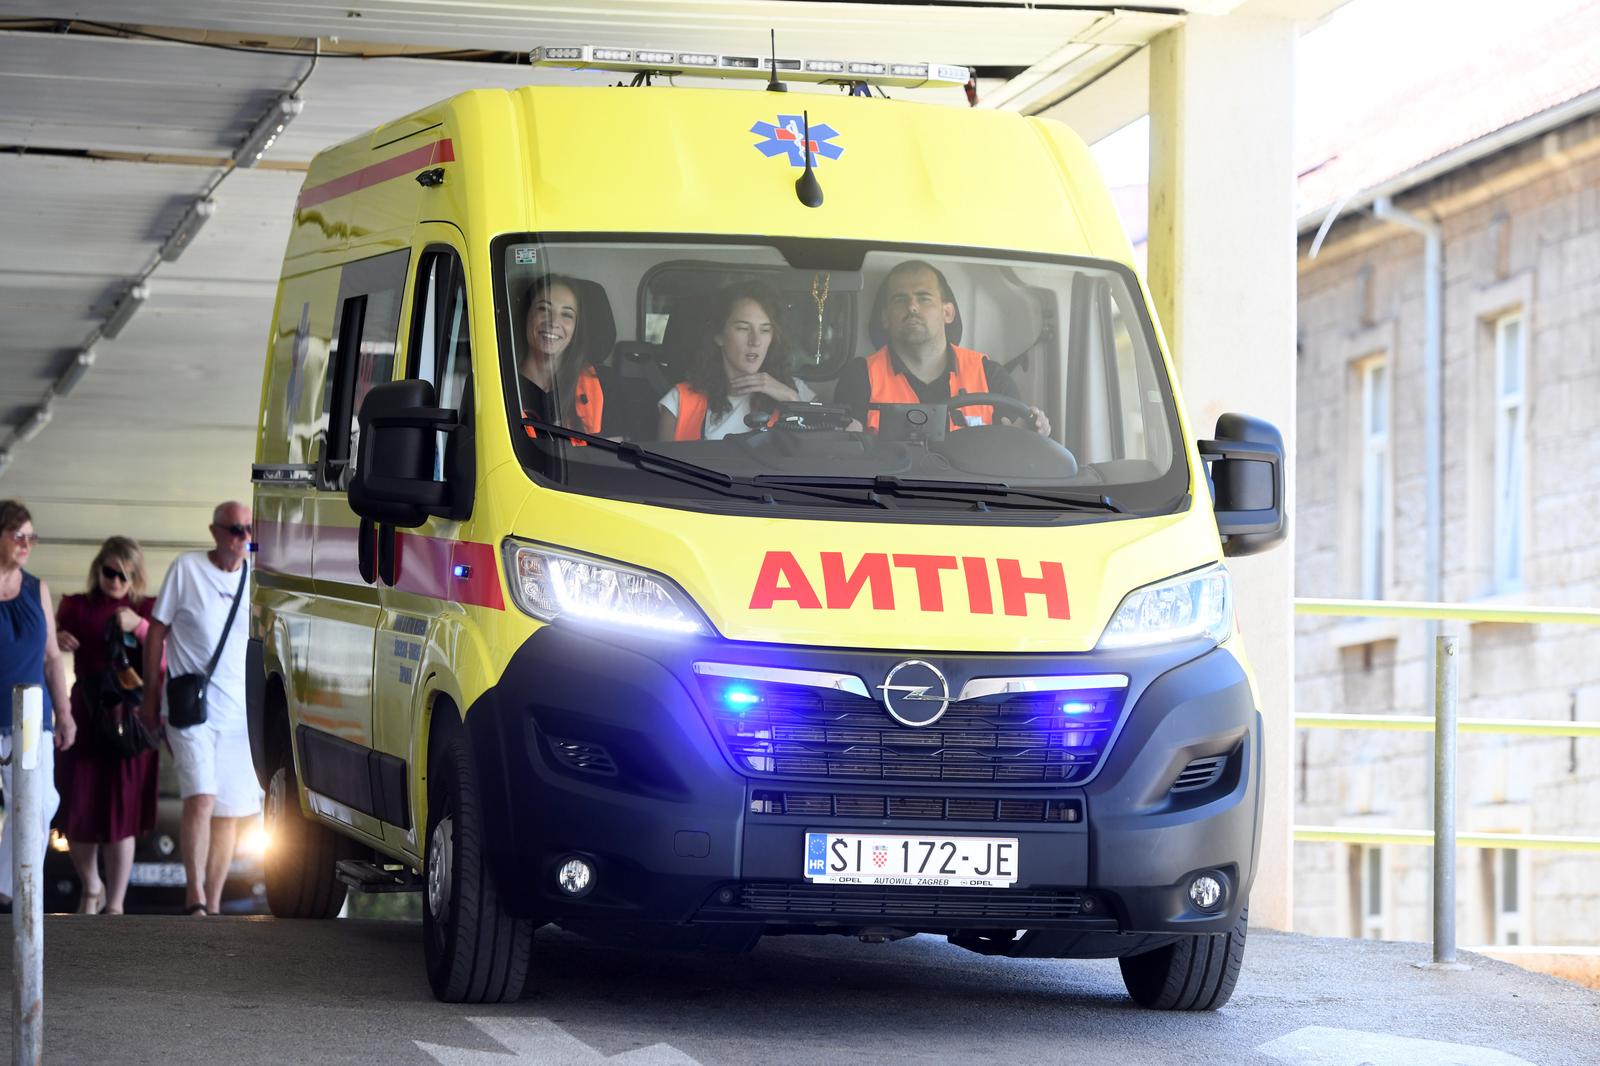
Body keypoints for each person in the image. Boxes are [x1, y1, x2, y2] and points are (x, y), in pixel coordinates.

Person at [140, 502, 258, 916]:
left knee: (229, 812)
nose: (241, 538)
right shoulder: (187, 569)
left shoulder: (254, 576)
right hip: (190, 708)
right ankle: (194, 897)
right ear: (214, 532)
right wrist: (151, 696)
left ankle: (215, 898)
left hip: (239, 714)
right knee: (202, 797)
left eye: (247, 530)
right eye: (233, 530)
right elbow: (157, 630)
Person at [54, 537, 158, 915]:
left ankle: (115, 903)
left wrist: (142, 628)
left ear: (136, 577)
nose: (116, 581)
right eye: (110, 572)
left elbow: (164, 663)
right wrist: (57, 638)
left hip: (128, 718)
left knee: (122, 812)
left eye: (126, 575)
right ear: (99, 570)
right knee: (79, 806)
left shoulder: (147, 608)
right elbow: (47, 646)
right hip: (86, 711)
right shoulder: (76, 606)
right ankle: (91, 884)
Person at [834, 259, 1052, 436]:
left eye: (924, 298)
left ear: (947, 313)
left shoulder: (990, 376)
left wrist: (1030, 435)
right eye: (900, 299)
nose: (912, 307)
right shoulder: (859, 377)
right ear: (884, 317)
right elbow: (846, 456)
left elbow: (1014, 449)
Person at [0, 500, 74, 912]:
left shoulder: (36, 589)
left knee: (41, 802)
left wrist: (64, 714)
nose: (27, 544)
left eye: (31, 537)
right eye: (18, 536)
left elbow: (51, 657)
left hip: (31, 719)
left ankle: (8, 891)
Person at [656, 283, 815, 441]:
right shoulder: (680, 400)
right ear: (719, 336)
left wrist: (792, 400)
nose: (755, 341)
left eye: (765, 330)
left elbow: (817, 458)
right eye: (743, 328)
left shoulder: (797, 391)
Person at [519, 274, 613, 437]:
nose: (554, 322)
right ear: (526, 315)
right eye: (543, 309)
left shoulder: (601, 385)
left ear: (576, 327)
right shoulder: (498, 383)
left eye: (567, 315)